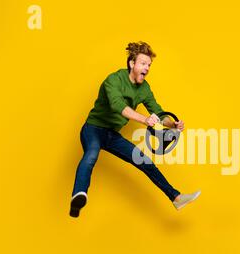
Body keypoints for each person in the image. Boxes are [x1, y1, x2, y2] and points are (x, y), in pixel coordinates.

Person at [70, 41, 201, 218]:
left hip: (111, 135)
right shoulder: (114, 80)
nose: (146, 68)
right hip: (93, 129)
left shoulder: (144, 88)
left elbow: (159, 112)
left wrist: (173, 124)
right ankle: (78, 197)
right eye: (143, 63)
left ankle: (176, 197)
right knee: (91, 154)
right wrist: (145, 120)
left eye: (149, 65)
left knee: (144, 161)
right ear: (132, 63)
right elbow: (119, 106)